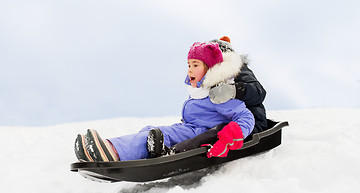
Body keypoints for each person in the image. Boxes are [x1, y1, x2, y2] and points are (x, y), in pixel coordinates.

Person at [74, 41, 255, 162]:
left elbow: (245, 117)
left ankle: (111, 151)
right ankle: (116, 150)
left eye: (196, 65)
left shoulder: (218, 94)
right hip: (190, 129)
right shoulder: (200, 91)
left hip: (200, 134)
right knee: (150, 131)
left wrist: (232, 134)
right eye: (189, 65)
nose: (190, 70)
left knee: (154, 136)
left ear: (210, 69)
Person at [154, 36, 268, 155]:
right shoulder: (214, 74)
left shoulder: (237, 69)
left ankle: (176, 151)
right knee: (203, 131)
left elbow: (259, 92)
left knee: (217, 132)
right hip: (228, 120)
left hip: (249, 123)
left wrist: (235, 90)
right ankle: (170, 144)